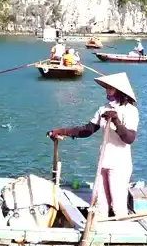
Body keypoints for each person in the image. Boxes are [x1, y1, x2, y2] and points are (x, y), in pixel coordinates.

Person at [47, 72, 139, 218]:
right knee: (101, 203)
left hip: (120, 163)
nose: (107, 90)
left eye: (110, 88)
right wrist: (62, 131)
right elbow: (87, 130)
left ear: (120, 91)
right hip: (104, 159)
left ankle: (120, 227)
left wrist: (116, 121)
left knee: (117, 204)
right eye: (106, 87)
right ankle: (99, 227)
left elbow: (129, 138)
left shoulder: (130, 111)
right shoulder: (103, 108)